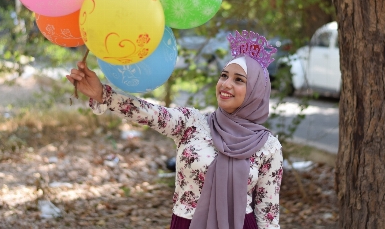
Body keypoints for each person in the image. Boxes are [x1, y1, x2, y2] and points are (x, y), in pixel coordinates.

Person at [66, 30, 283, 229]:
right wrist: (103, 94)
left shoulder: (267, 145)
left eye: (239, 80)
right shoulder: (192, 123)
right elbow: (149, 113)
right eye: (224, 75)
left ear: (256, 91)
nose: (226, 84)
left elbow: (268, 214)